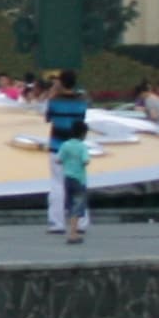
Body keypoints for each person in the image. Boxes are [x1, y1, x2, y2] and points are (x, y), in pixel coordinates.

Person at [40, 70, 91, 240]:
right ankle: (81, 223)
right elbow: (82, 119)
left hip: (57, 146)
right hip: (76, 146)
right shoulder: (81, 101)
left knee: (57, 184)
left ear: (61, 82)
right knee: (78, 183)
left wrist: (53, 91)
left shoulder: (54, 101)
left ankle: (57, 223)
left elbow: (47, 117)